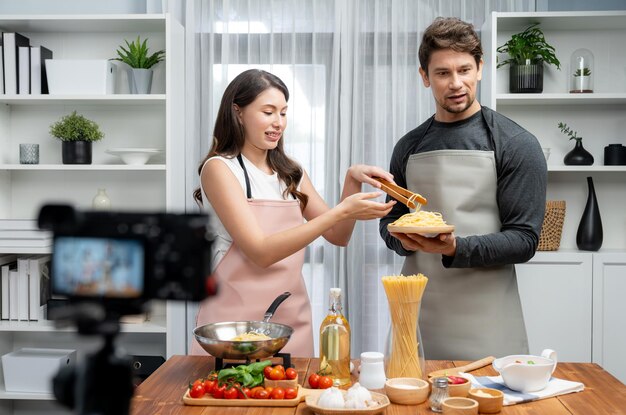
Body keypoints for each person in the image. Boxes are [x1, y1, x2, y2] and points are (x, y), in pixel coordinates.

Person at [192, 69, 396, 356]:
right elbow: (260, 252)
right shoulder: (220, 169)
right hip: (232, 326)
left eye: (284, 113)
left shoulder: (290, 172)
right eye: (268, 112)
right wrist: (340, 212)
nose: (278, 123)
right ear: (238, 112)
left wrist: (352, 179)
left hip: (289, 321)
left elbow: (338, 235)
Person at [379, 17, 547, 360]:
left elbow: (525, 239)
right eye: (442, 73)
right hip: (418, 316)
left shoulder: (515, 144)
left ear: (480, 68)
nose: (456, 83)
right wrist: (399, 238)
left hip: (488, 320)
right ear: (425, 76)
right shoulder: (408, 147)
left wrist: (456, 247)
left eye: (464, 70)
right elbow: (390, 219)